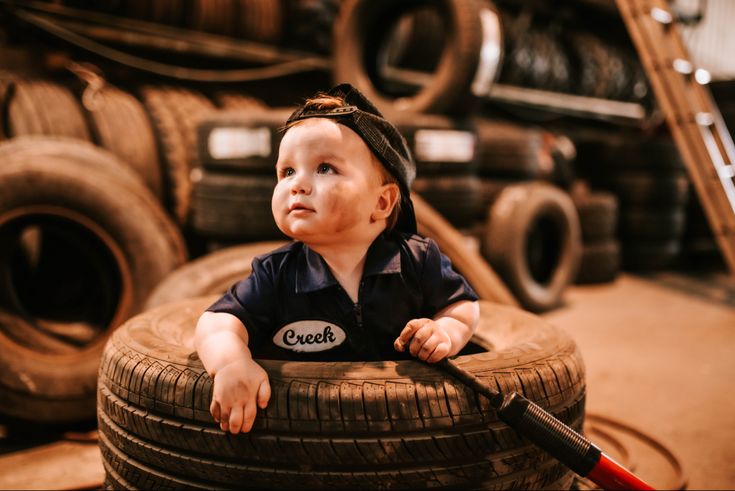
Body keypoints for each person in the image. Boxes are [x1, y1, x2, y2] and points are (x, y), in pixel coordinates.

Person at [194, 84, 480, 435]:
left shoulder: (417, 260)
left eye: (325, 168)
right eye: (286, 172)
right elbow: (217, 323)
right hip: (305, 434)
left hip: (408, 429)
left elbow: (463, 306)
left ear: (382, 203)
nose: (297, 185)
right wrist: (231, 364)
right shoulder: (276, 274)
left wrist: (446, 332)